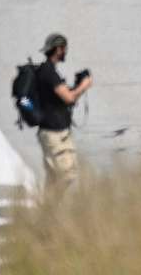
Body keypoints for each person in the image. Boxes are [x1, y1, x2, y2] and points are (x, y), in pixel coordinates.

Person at [34, 33, 92, 187]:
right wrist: (84, 85)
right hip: (54, 134)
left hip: (52, 132)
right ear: (58, 49)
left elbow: (63, 97)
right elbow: (69, 98)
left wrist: (76, 87)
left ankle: (47, 210)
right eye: (64, 48)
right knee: (67, 175)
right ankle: (49, 209)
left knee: (54, 178)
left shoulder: (47, 71)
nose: (66, 51)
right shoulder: (49, 73)